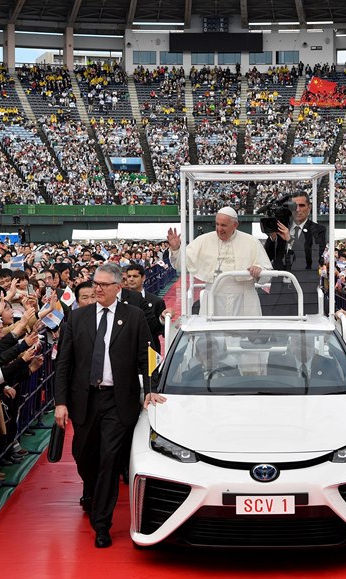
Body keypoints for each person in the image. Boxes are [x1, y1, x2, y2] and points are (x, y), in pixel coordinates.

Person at [52, 263, 165, 548]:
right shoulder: (78, 318)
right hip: (85, 399)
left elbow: (147, 356)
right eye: (95, 284)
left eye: (103, 285)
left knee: (109, 459)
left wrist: (150, 390)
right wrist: (60, 402)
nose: (97, 289)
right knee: (83, 454)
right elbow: (64, 363)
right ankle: (91, 490)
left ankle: (102, 522)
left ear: (118, 287)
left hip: (118, 400)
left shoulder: (134, 317)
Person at [167, 207, 271, 316]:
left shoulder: (251, 242)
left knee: (245, 331)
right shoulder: (203, 240)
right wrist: (176, 249)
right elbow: (180, 264)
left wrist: (259, 270)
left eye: (223, 225)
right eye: (217, 224)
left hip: (244, 300)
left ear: (235, 225)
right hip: (213, 298)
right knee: (212, 332)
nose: (219, 229)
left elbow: (266, 274)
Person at [264, 193, 327, 316]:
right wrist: (272, 238)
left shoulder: (318, 230)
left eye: (302, 205)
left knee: (304, 334)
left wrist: (290, 240)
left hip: (304, 294)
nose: (298, 210)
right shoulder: (281, 228)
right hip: (279, 294)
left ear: (309, 208)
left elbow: (313, 257)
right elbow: (268, 256)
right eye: (294, 206)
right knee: (277, 333)